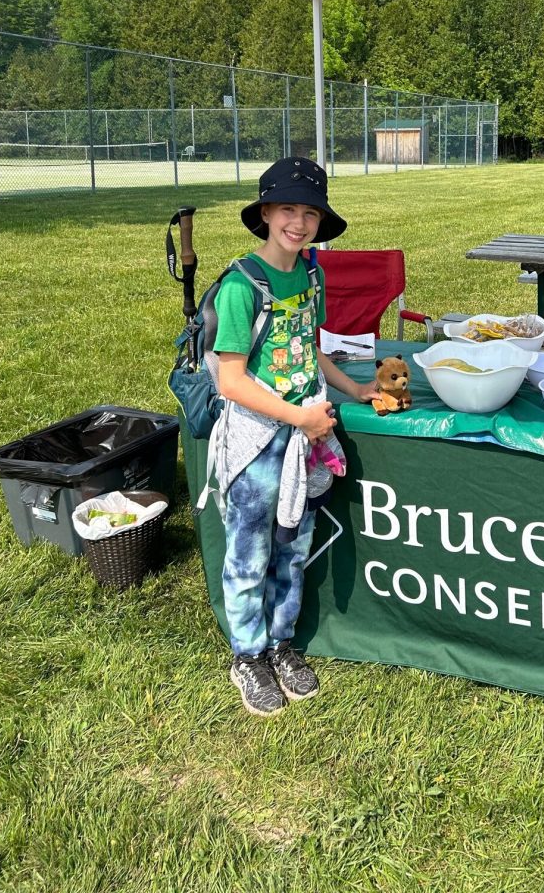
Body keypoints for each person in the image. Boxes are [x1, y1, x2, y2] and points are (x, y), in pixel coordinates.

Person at [212, 156, 377, 717]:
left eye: (310, 213)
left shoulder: (312, 275)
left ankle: (281, 645)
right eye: (287, 209)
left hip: (303, 441)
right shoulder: (241, 286)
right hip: (258, 444)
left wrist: (353, 390)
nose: (299, 223)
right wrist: (298, 417)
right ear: (264, 213)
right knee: (249, 551)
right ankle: (247, 655)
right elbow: (231, 381)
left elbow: (310, 347)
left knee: (293, 545)